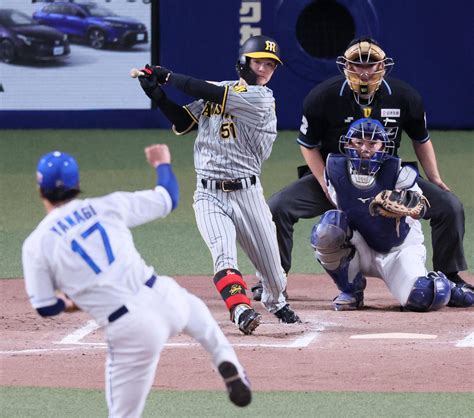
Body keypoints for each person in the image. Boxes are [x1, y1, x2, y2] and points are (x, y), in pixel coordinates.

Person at [22, 145, 252, 417]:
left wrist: (71, 304)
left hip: (130, 329)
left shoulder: (36, 244)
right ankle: (225, 361)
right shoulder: (106, 206)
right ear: (77, 184)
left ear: (40, 190)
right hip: (162, 295)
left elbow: (45, 307)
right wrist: (162, 163)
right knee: (197, 312)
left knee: (123, 414)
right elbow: (169, 197)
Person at [252, 36, 470, 301]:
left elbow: (420, 139)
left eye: (371, 65)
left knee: (449, 206)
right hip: (335, 174)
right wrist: (323, 180)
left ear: (384, 66)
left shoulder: (404, 96)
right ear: (345, 66)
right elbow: (308, 145)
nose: (364, 72)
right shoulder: (323, 97)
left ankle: (449, 276)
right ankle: (275, 279)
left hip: (386, 178)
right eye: (357, 64)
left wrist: (434, 177)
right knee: (276, 208)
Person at [136, 35, 301, 335]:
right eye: (259, 61)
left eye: (271, 65)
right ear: (243, 62)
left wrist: (170, 77)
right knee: (223, 253)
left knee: (274, 277)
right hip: (208, 194)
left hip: (247, 193)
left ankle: (275, 301)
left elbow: (203, 89)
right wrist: (158, 95)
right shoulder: (221, 90)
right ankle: (240, 309)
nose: (265, 69)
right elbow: (184, 123)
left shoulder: (263, 99)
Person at [309, 118, 473, 311]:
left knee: (425, 296)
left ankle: (447, 287)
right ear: (347, 144)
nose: (365, 149)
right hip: (361, 247)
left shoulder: (399, 172)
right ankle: (351, 291)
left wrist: (406, 204)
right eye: (358, 142)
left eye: (372, 143)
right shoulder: (334, 169)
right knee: (328, 229)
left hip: (398, 250)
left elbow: (420, 206)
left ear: (383, 146)